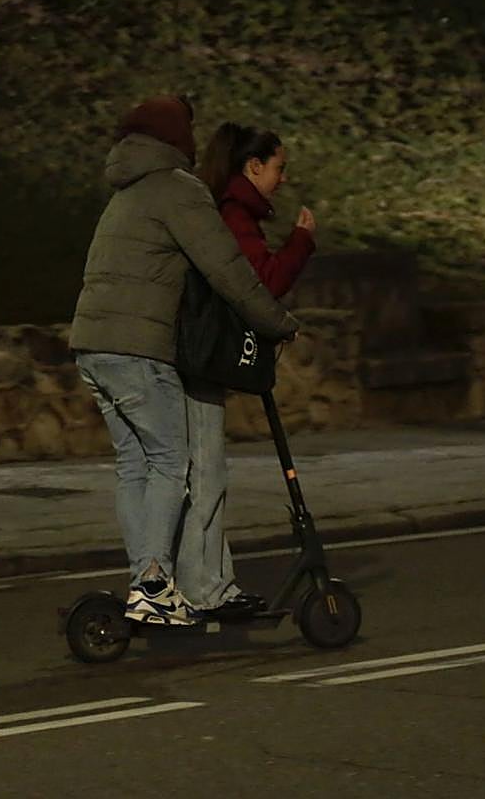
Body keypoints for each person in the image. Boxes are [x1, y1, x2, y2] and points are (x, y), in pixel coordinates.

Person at [69, 97, 300, 626]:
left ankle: (145, 585)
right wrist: (278, 323)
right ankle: (153, 585)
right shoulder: (178, 190)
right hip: (138, 350)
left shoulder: (125, 192)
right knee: (171, 462)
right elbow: (230, 272)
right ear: (176, 138)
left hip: (93, 345)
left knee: (135, 466)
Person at [175, 122, 317, 614]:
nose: (283, 178)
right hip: (200, 360)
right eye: (278, 167)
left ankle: (206, 583)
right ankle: (205, 590)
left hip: (198, 356)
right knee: (206, 472)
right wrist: (301, 241)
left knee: (200, 472)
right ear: (253, 166)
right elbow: (262, 283)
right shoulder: (234, 215)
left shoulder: (229, 209)